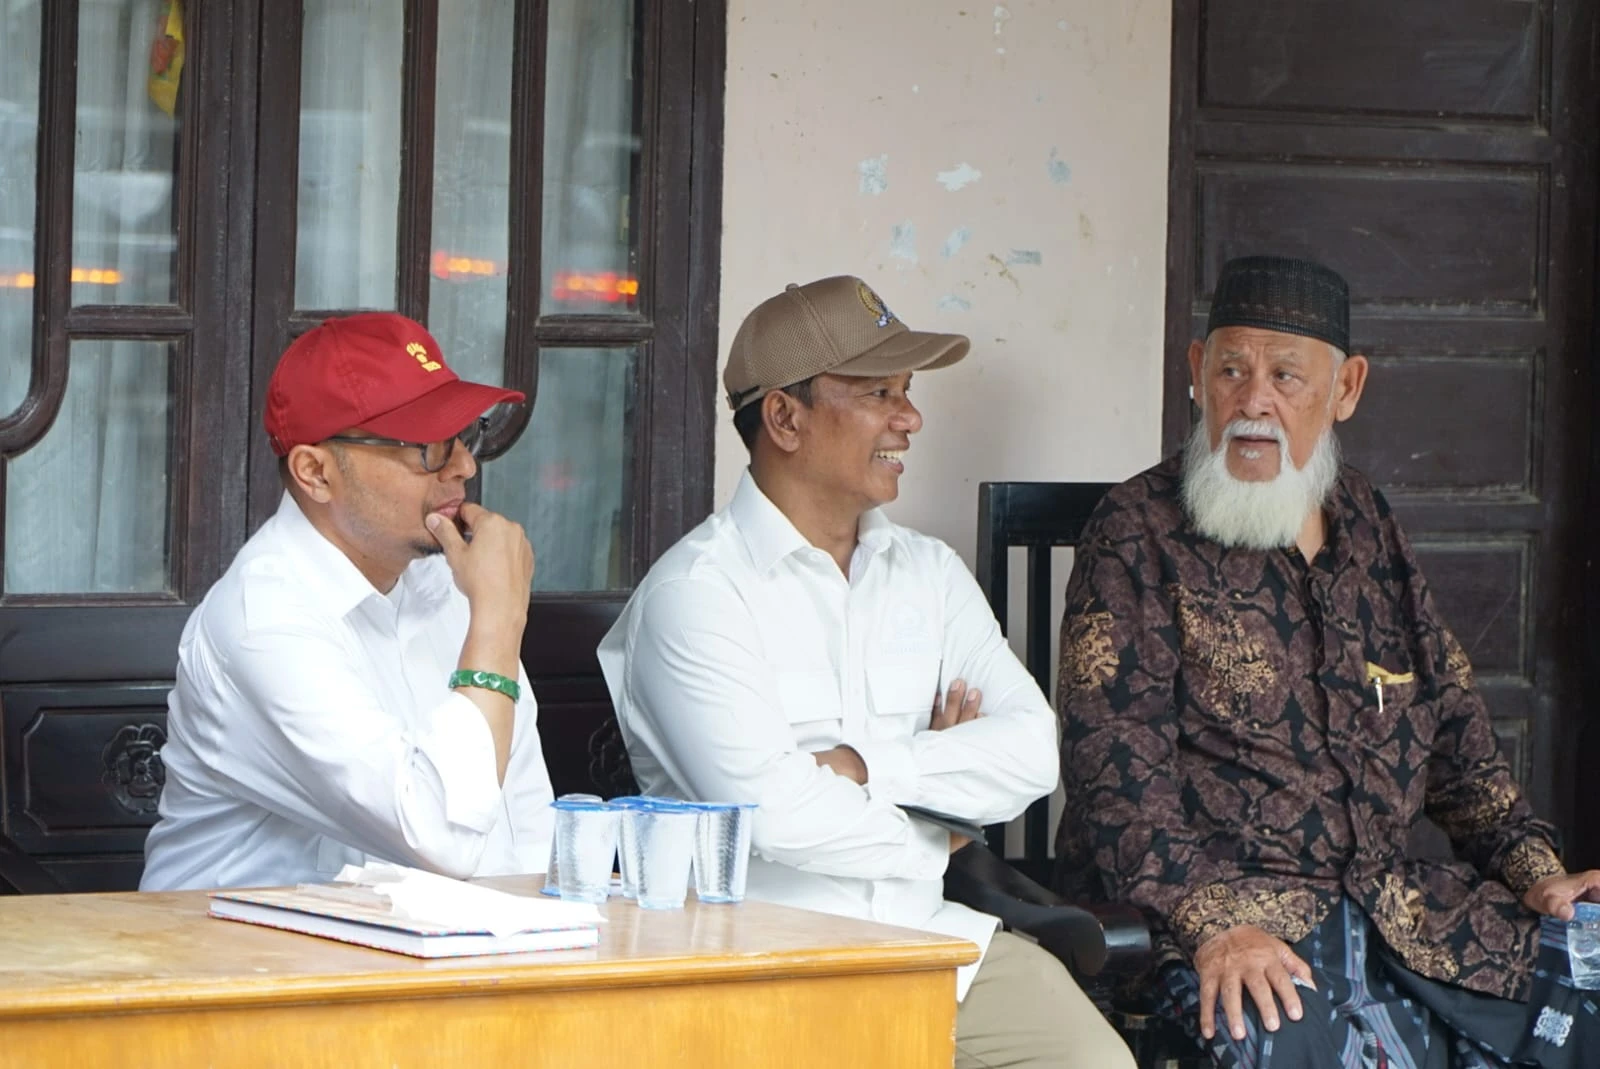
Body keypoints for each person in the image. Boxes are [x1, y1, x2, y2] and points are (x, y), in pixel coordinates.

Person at [1056, 254, 1600, 1068]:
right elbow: (1112, 770)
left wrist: (1534, 869)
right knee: (1268, 1031)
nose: (1254, 400)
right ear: (1196, 373)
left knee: (1587, 975)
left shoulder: (1368, 522)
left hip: (1400, 914)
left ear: (1345, 388)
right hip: (1226, 920)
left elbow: (1454, 731)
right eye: (1231, 370)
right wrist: (1212, 922)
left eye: (1285, 376)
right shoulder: (1135, 532)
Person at [598, 276, 1134, 1069]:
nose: (909, 418)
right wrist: (940, 826)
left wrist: (864, 766)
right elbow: (775, 815)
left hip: (934, 943)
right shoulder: (696, 594)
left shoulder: (929, 572)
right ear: (785, 417)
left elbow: (1031, 752)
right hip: (768, 964)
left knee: (1094, 1062)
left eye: (907, 391)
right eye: (880, 392)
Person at [142, 312, 555, 891]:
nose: (464, 465)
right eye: (429, 447)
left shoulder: (449, 582)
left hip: (423, 941)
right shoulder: (265, 620)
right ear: (315, 472)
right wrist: (498, 620)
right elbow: (441, 836)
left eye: (465, 435)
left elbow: (523, 826)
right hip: (235, 947)